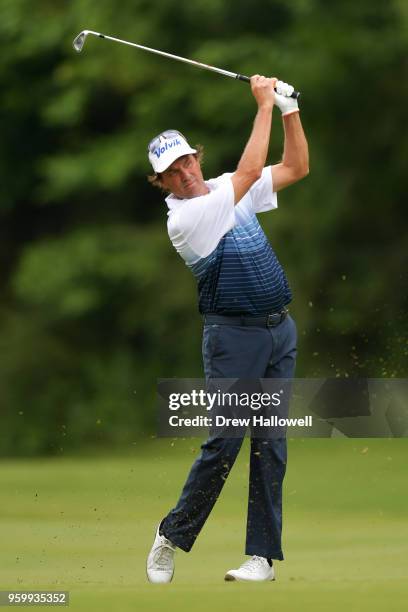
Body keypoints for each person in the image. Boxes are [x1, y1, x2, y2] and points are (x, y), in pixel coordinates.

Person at [146, 76, 309, 583]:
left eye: (187, 161)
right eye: (171, 171)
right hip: (233, 339)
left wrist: (288, 111)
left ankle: (260, 557)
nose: (185, 173)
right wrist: (263, 104)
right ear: (162, 184)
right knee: (225, 443)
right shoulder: (187, 218)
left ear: (197, 156)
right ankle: (171, 535)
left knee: (271, 444)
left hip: (279, 331)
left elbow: (297, 167)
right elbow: (252, 168)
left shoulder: (222, 186)